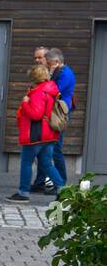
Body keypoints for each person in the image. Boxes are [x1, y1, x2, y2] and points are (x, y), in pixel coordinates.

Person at [8, 64, 66, 203]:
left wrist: (25, 103)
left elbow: (36, 114)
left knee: (26, 162)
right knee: (47, 164)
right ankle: (63, 190)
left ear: (34, 77)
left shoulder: (39, 92)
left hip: (36, 135)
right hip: (49, 134)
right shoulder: (51, 90)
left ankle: (23, 193)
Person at [37, 47, 75, 192]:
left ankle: (61, 183)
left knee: (56, 150)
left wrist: (50, 76)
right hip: (54, 113)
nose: (48, 66)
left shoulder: (65, 74)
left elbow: (53, 90)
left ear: (57, 62)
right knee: (50, 149)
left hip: (59, 115)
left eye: (49, 64)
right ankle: (48, 181)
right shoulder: (61, 72)